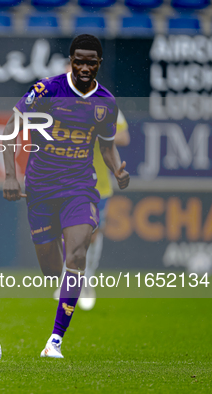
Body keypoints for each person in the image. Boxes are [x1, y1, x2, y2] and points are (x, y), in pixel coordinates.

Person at [1, 34, 130, 358]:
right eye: (79, 60)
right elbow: (10, 130)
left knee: (77, 256)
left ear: (99, 63)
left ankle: (55, 341)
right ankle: (67, 287)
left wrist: (116, 169)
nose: (84, 67)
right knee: (51, 268)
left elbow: (107, 144)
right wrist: (9, 176)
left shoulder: (106, 102)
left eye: (91, 61)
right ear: (71, 61)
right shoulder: (46, 91)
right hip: (41, 188)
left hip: (79, 187)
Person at [78, 109, 130, 311]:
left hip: (97, 184)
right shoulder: (57, 101)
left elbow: (124, 136)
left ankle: (87, 280)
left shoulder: (105, 105)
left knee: (91, 234)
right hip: (64, 181)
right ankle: (69, 281)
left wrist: (96, 132)